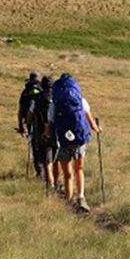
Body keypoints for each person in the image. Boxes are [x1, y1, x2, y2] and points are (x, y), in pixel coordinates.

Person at [51, 72, 100, 213]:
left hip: (63, 140)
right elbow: (90, 121)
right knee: (79, 168)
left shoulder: (55, 103)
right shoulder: (80, 99)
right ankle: (81, 197)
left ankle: (68, 200)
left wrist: (48, 134)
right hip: (79, 139)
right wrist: (97, 128)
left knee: (67, 173)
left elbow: (50, 123)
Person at [16, 72, 53, 188]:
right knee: (53, 153)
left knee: (37, 150)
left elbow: (23, 112)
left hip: (37, 128)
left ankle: (40, 174)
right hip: (54, 130)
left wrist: (24, 126)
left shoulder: (29, 94)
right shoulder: (55, 97)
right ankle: (53, 179)